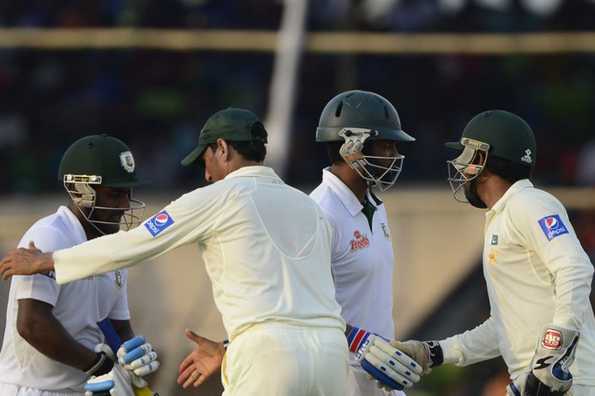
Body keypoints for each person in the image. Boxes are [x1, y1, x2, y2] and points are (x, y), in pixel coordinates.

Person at [0, 108, 351, 396]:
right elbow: (301, 308)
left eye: (206, 160)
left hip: (269, 360)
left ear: (223, 149)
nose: (207, 174)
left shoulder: (218, 197)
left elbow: (137, 242)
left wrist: (47, 261)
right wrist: (229, 351)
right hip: (333, 359)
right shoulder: (310, 208)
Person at [174, 91, 424, 395]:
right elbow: (291, 305)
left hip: (381, 375)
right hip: (336, 377)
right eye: (385, 146)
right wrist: (233, 348)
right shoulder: (318, 212)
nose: (392, 156)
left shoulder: (376, 206)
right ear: (350, 147)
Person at [393, 110, 595, 395]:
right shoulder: (501, 216)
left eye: (466, 155)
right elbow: (503, 328)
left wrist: (552, 353)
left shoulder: (530, 203)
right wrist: (434, 352)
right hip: (537, 384)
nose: (460, 168)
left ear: (483, 160)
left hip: (568, 382)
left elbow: (575, 268)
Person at [0, 134, 159, 396]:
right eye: (114, 195)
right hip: (33, 389)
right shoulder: (49, 236)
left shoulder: (114, 248)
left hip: (83, 387)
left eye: (127, 194)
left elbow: (117, 326)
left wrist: (133, 356)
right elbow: (32, 324)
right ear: (80, 191)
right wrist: (98, 365)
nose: (124, 206)